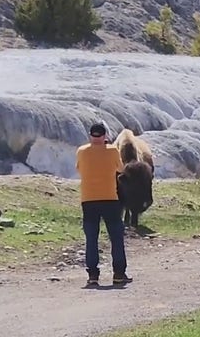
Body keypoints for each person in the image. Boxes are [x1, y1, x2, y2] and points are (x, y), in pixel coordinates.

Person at [75, 122, 133, 286]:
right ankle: (119, 274)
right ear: (105, 136)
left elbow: (79, 168)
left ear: (90, 136)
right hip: (110, 199)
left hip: (88, 200)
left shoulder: (81, 151)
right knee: (116, 237)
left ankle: (93, 275)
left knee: (91, 238)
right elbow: (120, 169)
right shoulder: (113, 151)